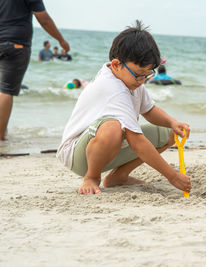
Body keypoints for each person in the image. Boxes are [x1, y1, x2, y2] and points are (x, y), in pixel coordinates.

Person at [56, 21, 191, 195]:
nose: (142, 81)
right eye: (138, 75)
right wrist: (172, 176)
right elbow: (137, 142)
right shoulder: (112, 88)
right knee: (112, 127)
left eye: (147, 75)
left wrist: (173, 122)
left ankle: (118, 177)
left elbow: (148, 110)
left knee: (171, 133)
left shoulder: (131, 81)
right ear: (116, 64)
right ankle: (91, 177)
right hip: (77, 155)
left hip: (108, 148)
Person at [0, 0, 69, 141]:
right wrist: (61, 40)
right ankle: (0, 136)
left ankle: (3, 131)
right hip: (16, 44)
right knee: (6, 90)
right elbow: (43, 19)